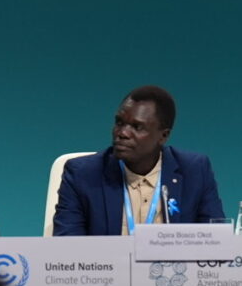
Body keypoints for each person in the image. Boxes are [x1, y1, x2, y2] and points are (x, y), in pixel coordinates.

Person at [52, 85, 224, 235]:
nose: (122, 133)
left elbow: (216, 242)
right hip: (106, 272)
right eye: (119, 123)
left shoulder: (194, 171)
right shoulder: (83, 174)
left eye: (137, 127)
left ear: (163, 136)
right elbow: (68, 248)